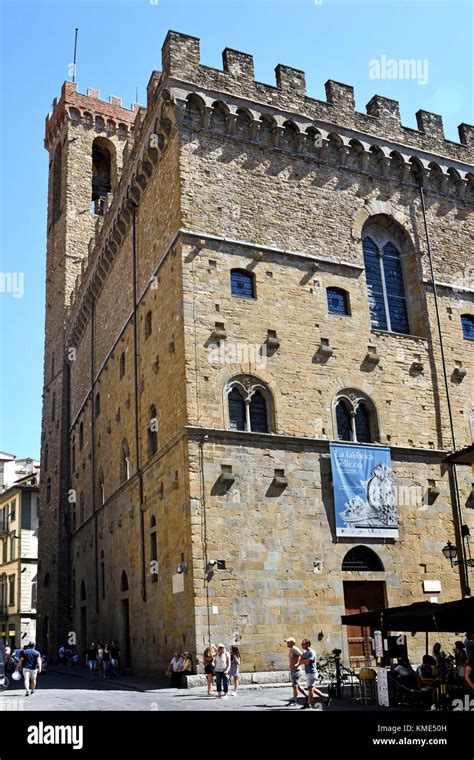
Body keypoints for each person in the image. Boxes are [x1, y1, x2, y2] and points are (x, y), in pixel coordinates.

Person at [299, 639, 330, 709]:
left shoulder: (311, 652)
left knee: (310, 689)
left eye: (303, 644)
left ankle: (308, 704)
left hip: (312, 672)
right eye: (302, 644)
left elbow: (308, 662)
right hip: (308, 673)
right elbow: (301, 661)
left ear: (307, 644)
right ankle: (325, 697)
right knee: (312, 688)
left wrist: (303, 661)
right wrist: (304, 661)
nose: (302, 645)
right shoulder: (305, 652)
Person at [285, 636, 307, 706]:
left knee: (295, 686)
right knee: (298, 686)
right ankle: (307, 696)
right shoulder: (291, 649)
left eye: (288, 642)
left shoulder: (295, 649)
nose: (287, 643)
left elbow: (302, 655)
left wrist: (298, 664)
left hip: (296, 670)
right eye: (287, 642)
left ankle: (294, 701)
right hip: (293, 670)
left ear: (292, 643)